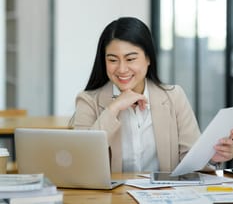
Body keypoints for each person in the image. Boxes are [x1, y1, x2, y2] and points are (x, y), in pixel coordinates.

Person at [72, 17, 233, 173]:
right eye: (113, 60)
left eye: (130, 59)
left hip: (162, 196)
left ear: (148, 58)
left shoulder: (174, 96)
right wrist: (114, 108)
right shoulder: (88, 100)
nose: (121, 69)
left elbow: (189, 159)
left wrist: (212, 158)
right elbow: (80, 161)